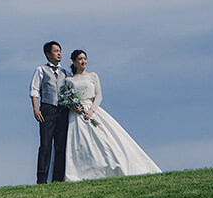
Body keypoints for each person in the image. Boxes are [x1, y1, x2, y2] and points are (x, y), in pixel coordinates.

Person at [61, 49, 162, 180]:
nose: (83, 61)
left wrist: (91, 111)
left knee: (104, 140)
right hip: (76, 114)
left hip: (92, 111)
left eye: (85, 58)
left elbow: (99, 95)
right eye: (80, 59)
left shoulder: (93, 76)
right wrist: (74, 107)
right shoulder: (69, 80)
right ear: (74, 62)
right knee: (79, 144)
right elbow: (66, 97)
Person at [29, 40, 71, 183]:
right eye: (56, 51)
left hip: (62, 110)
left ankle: (58, 179)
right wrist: (36, 109)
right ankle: (41, 179)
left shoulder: (66, 72)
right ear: (48, 54)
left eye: (60, 51)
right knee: (46, 144)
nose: (59, 53)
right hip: (47, 108)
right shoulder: (41, 70)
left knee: (61, 145)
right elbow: (34, 90)